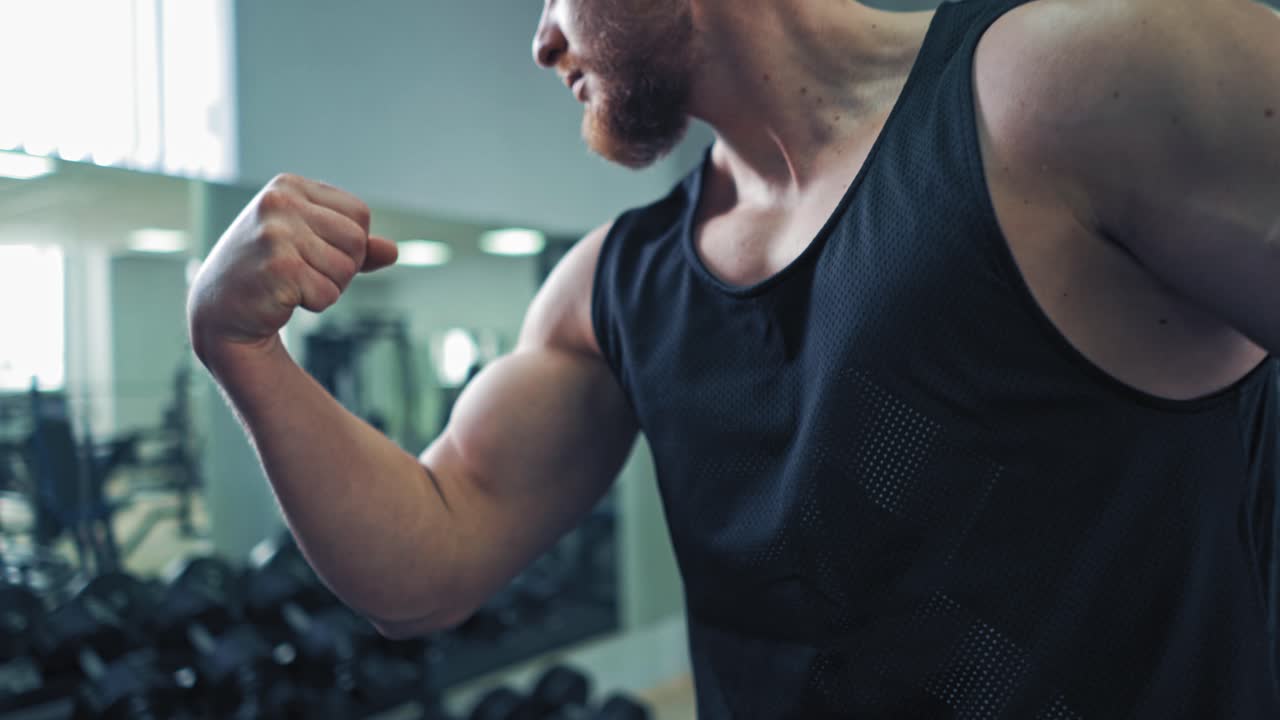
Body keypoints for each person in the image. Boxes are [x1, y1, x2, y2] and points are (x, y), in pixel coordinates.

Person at [187, 0, 1280, 715]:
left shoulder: (1069, 87)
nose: (541, 42)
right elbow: (424, 566)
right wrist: (240, 347)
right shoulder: (614, 285)